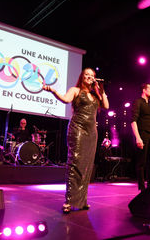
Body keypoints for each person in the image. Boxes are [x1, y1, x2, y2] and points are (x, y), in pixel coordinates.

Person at [43, 68, 109, 213]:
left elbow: (106, 106)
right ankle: (69, 201)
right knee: (75, 163)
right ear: (82, 76)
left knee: (86, 167)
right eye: (87, 74)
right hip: (77, 129)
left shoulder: (95, 94)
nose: (89, 77)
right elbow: (65, 99)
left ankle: (82, 201)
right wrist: (52, 90)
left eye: (92, 75)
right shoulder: (75, 90)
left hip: (92, 133)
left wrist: (101, 90)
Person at [130, 83, 150, 192]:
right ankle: (142, 187)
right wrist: (138, 138)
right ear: (144, 90)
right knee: (141, 162)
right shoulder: (138, 102)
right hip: (142, 134)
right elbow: (133, 121)